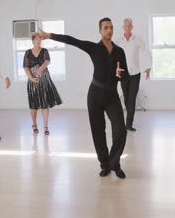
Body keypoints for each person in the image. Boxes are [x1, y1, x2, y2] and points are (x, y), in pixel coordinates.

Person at [34, 18, 129, 179]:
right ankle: (105, 165)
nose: (109, 30)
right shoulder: (94, 48)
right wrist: (49, 35)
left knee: (120, 129)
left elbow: (124, 73)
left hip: (112, 94)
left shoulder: (120, 51)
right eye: (106, 28)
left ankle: (114, 163)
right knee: (98, 131)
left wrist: (120, 75)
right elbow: (72, 40)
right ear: (100, 31)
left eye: (111, 27)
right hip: (95, 94)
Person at [115, 18, 152, 131]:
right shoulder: (118, 41)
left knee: (131, 99)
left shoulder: (137, 39)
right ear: (123, 27)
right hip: (124, 74)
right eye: (125, 25)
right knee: (126, 99)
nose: (127, 27)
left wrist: (148, 67)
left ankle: (129, 124)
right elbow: (114, 56)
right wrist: (116, 68)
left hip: (135, 74)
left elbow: (146, 51)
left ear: (132, 27)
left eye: (129, 25)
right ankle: (128, 119)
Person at [23, 34, 62, 135]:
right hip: (33, 81)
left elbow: (47, 61)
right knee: (33, 105)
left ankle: (45, 127)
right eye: (36, 39)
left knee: (45, 104)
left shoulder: (45, 51)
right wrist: (31, 78)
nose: (38, 41)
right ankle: (34, 124)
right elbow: (26, 67)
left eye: (40, 39)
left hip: (44, 80)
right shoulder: (27, 52)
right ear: (32, 41)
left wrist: (40, 69)